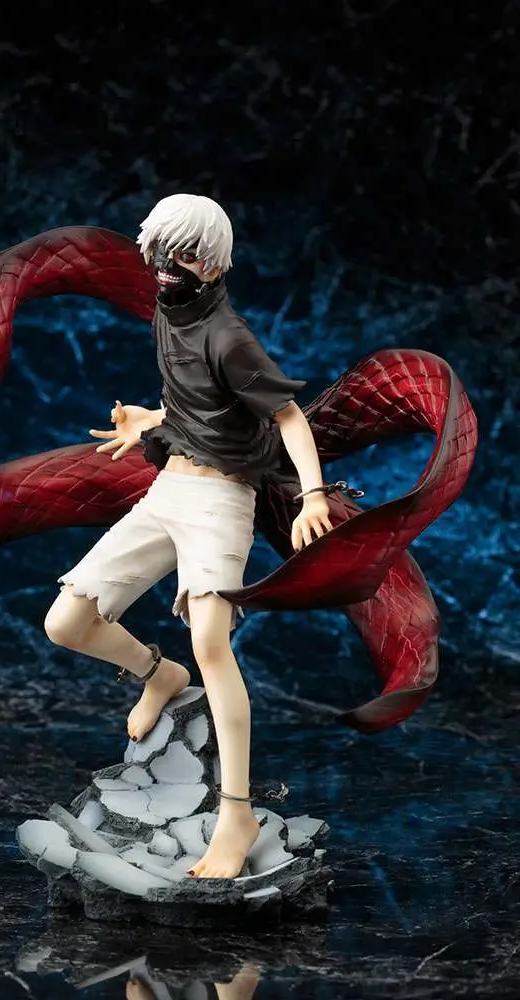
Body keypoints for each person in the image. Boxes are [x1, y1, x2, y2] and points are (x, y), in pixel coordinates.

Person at [43, 194, 334, 879]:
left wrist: (313, 495)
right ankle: (157, 674)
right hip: (168, 490)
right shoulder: (168, 312)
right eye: (159, 250)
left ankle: (235, 813)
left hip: (221, 503)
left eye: (185, 253)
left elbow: (288, 417)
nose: (168, 264)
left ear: (213, 262)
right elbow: (195, 401)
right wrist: (151, 420)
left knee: (211, 643)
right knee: (66, 621)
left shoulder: (229, 336)